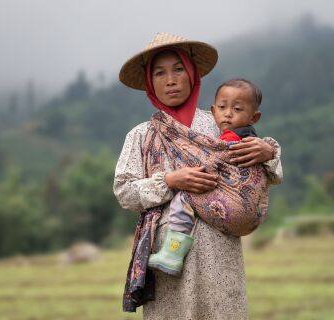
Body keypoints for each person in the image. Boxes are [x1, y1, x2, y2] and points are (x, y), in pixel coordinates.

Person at [114, 32, 282, 319]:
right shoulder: (141, 135)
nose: (170, 79)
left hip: (220, 253)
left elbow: (263, 168)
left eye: (179, 69)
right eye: (159, 72)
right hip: (167, 260)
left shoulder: (221, 122)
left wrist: (269, 152)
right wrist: (169, 181)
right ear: (149, 83)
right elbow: (124, 191)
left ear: (192, 74)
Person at [148, 78, 269, 277]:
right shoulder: (251, 137)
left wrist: (186, 174)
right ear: (214, 111)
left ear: (254, 117)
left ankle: (172, 252)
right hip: (253, 216)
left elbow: (211, 164)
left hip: (232, 213)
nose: (228, 114)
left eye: (237, 109)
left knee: (184, 197)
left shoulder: (229, 138)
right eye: (223, 107)